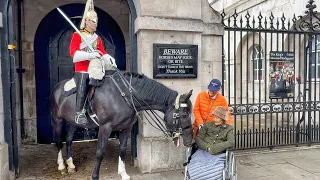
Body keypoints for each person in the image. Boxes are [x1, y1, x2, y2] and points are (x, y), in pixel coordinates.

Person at [69, 0, 117, 125]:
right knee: (84, 79)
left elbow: (102, 52)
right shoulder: (77, 35)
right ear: (86, 21)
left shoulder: (97, 38)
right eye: (93, 21)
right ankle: (79, 113)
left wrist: (110, 58)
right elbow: (73, 54)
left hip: (96, 68)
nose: (95, 24)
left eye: (96, 21)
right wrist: (90, 55)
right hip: (83, 69)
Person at [187, 106, 235, 180]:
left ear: (223, 119)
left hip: (218, 154)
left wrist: (215, 148)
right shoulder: (208, 125)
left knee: (216, 169)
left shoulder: (229, 129)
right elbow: (198, 138)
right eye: (214, 117)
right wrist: (207, 147)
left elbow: (231, 142)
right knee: (196, 164)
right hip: (202, 151)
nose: (215, 119)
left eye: (217, 118)